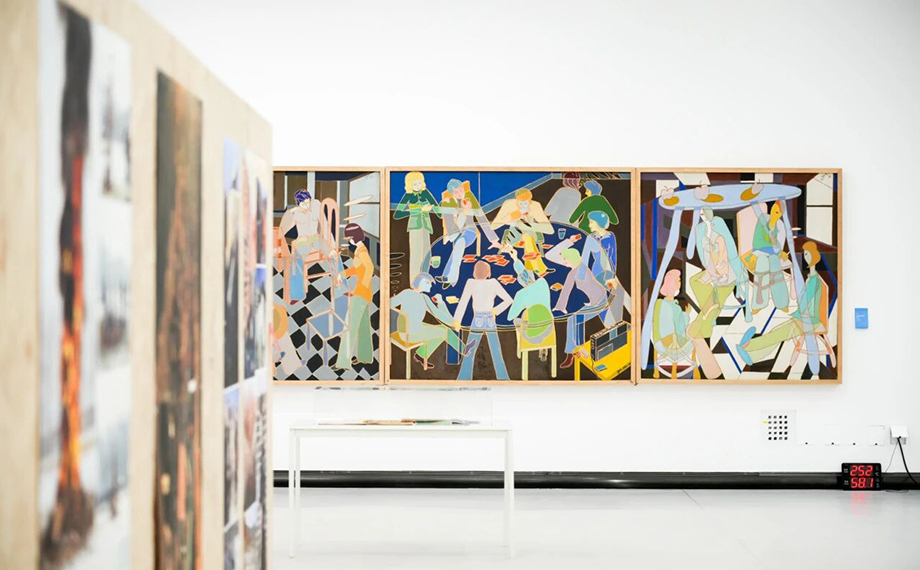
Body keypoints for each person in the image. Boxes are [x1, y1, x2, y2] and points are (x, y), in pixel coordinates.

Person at [737, 241, 827, 367]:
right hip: (806, 318)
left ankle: (748, 347)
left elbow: (805, 301)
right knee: (776, 333)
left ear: (814, 256)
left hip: (810, 320)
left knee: (776, 334)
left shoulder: (813, 281)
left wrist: (799, 308)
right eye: (805, 254)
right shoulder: (812, 278)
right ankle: (751, 352)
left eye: (807, 254)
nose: (805, 257)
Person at [546, 241, 611, 368]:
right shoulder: (576, 270)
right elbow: (567, 289)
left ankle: (576, 351)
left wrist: (561, 307)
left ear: (572, 259)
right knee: (574, 319)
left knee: (574, 319)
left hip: (600, 301)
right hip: (594, 299)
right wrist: (560, 306)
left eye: (565, 259)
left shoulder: (579, 271)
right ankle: (575, 350)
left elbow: (568, 289)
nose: (564, 262)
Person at [453, 261, 513, 380]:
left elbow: (463, 302)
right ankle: (503, 377)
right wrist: (495, 311)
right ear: (488, 273)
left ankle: (464, 377)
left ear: (474, 273)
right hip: (490, 318)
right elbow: (509, 300)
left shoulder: (471, 283)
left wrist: (457, 321)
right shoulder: (493, 283)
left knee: (469, 350)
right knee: (496, 350)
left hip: (478, 319)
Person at [390, 273, 463, 370]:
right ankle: (464, 350)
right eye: (427, 283)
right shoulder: (424, 298)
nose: (430, 285)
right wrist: (442, 304)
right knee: (445, 332)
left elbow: (389, 303)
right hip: (412, 334)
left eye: (430, 283)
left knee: (443, 328)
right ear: (418, 282)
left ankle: (420, 355)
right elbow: (438, 314)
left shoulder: (407, 293)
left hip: (404, 331)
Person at [438, 179, 500, 288]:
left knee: (459, 244)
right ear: (452, 193)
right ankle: (448, 277)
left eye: (461, 190)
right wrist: (462, 212)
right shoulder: (448, 202)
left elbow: (481, 217)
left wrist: (493, 239)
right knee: (458, 247)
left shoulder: (469, 197)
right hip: (455, 232)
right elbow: (449, 224)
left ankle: (450, 278)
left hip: (469, 231)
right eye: (456, 192)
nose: (460, 194)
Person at [334, 224, 375, 370]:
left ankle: (343, 363)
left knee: (350, 327)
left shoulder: (362, 251)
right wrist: (343, 274)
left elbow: (369, 268)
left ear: (353, 237)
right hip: (365, 293)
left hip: (361, 294)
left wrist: (362, 286)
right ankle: (365, 357)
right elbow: (358, 269)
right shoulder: (360, 249)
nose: (348, 240)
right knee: (363, 326)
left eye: (348, 238)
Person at [491, 188, 553, 276]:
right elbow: (494, 225)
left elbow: (549, 229)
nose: (523, 205)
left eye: (526, 203)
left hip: (530, 235)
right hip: (515, 237)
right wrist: (516, 215)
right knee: (528, 239)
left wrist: (528, 225)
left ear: (529, 201)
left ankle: (533, 268)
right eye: (520, 203)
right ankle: (538, 268)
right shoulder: (509, 204)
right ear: (516, 200)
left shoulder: (535, 206)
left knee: (528, 238)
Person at [393, 171, 440, 282]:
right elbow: (397, 214)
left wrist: (443, 213)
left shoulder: (425, 193)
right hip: (415, 228)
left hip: (426, 227)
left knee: (426, 254)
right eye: (415, 184)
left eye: (419, 183)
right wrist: (419, 210)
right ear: (410, 185)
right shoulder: (408, 195)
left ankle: (425, 281)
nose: (418, 186)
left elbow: (436, 207)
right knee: (416, 255)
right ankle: (414, 283)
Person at [743, 201, 789, 314]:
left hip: (774, 254)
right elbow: (757, 242)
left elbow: (779, 246)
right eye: (774, 209)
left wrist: (776, 249)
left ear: (781, 214)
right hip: (759, 253)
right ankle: (759, 304)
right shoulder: (762, 219)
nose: (775, 213)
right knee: (762, 264)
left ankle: (782, 302)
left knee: (775, 266)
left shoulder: (780, 226)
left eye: (778, 212)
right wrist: (773, 247)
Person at [651, 268, 694, 365]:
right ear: (672, 283)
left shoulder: (663, 303)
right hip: (669, 343)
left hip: (663, 341)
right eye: (678, 280)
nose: (680, 283)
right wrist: (686, 314)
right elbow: (679, 327)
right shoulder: (667, 305)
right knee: (697, 336)